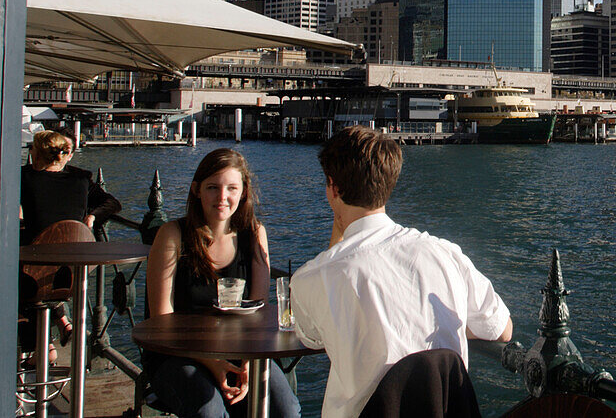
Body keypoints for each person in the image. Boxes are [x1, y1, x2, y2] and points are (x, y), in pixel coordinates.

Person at [291, 126, 513, 418]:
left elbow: (312, 338)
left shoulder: (311, 277)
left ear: (333, 188)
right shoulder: (445, 253)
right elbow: (503, 329)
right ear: (389, 183)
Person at [144, 149, 300, 418]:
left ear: (243, 193)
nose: (222, 197)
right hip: (178, 353)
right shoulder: (172, 235)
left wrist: (249, 364)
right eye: (213, 187)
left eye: (231, 188)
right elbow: (162, 320)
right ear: (196, 190)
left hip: (242, 351)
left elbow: (259, 309)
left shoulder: (254, 234)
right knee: (209, 411)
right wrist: (213, 363)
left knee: (286, 410)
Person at [19, 128, 122, 360]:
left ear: (38, 154)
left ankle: (40, 346)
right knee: (41, 276)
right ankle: (51, 339)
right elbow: (113, 203)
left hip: (33, 278)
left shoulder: (24, 178)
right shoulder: (81, 179)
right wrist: (92, 216)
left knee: (18, 278)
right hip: (74, 276)